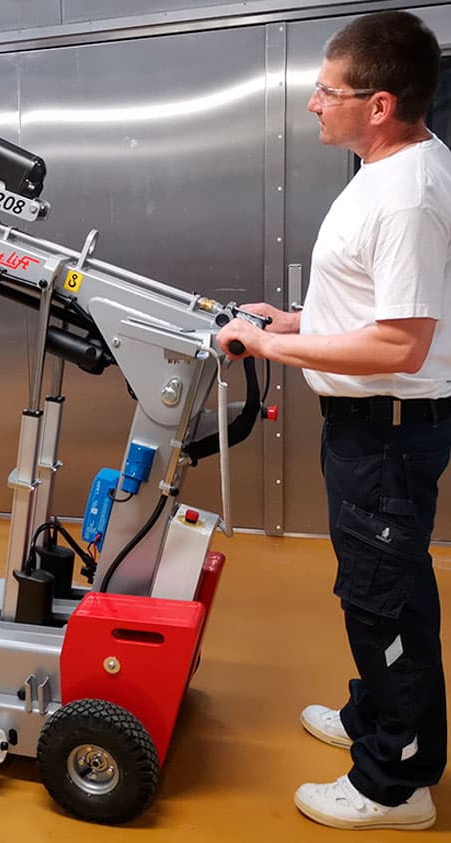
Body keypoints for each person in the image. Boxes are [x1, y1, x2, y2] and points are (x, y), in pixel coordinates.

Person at [217, 10, 451, 832]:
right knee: (383, 588)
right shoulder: (392, 168)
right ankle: (375, 715)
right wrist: (293, 319)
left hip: (386, 430)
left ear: (378, 105)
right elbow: (373, 306)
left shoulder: (406, 193)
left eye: (327, 91)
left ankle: (397, 782)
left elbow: (399, 343)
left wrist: (269, 347)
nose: (314, 103)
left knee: (383, 600)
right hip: (370, 428)